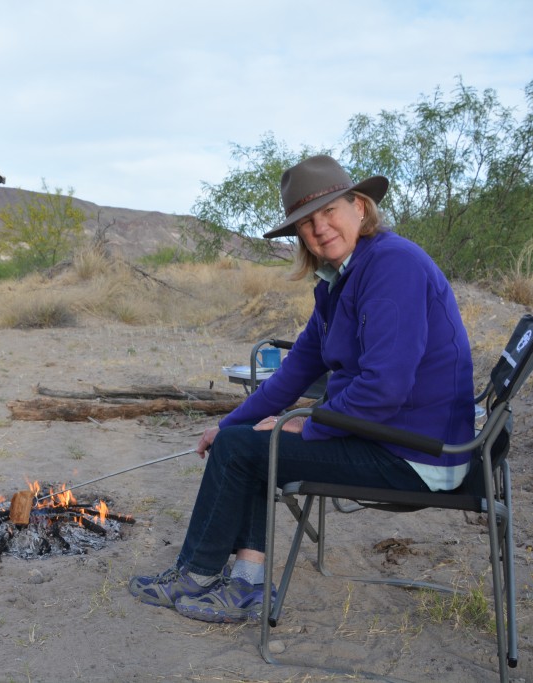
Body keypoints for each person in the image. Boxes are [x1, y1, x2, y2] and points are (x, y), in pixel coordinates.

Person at [128, 154, 475, 623]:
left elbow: (385, 388)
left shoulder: (393, 266)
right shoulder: (337, 282)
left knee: (247, 448)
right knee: (244, 440)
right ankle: (247, 583)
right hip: (384, 436)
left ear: (359, 207)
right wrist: (228, 424)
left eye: (329, 211)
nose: (320, 228)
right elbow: (293, 374)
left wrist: (309, 424)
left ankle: (196, 574)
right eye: (307, 222)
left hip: (416, 452)